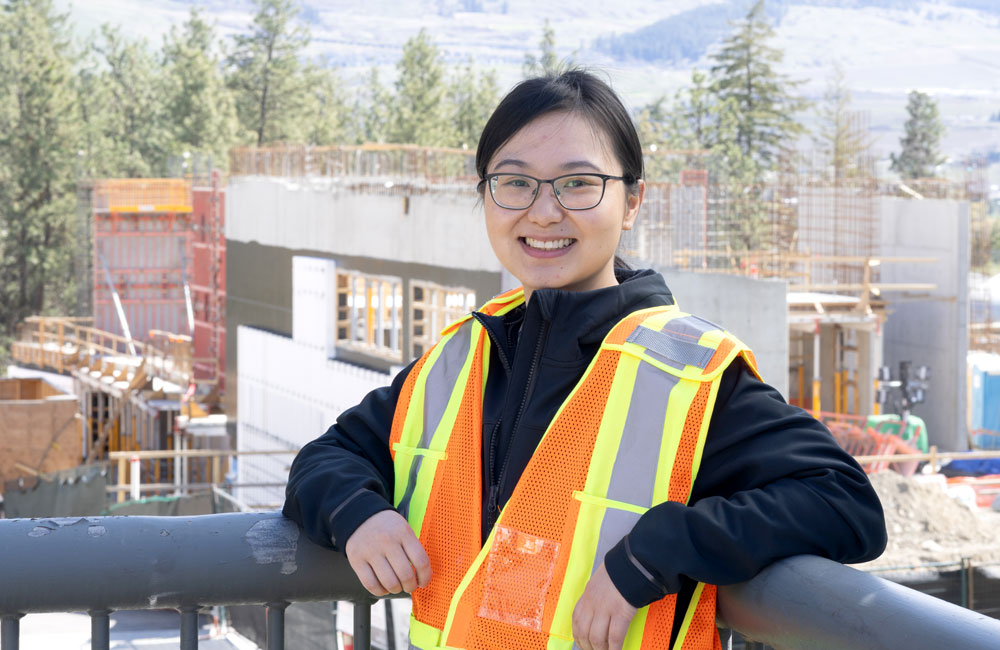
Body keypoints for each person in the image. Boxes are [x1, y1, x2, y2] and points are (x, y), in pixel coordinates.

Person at [283, 69, 887, 650]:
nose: (544, 212)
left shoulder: (688, 376)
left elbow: (843, 502)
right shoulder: (462, 358)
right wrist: (357, 513)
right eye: (514, 182)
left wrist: (654, 554)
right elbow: (326, 458)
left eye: (577, 183)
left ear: (630, 203)